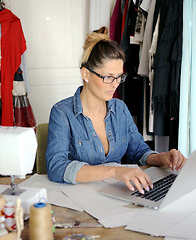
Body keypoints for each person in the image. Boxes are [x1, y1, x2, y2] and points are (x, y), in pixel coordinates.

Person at [46, 27, 187, 194]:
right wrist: (114, 171)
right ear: (85, 74)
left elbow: (139, 151)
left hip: (116, 194)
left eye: (119, 77)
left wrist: (162, 157)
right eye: (108, 77)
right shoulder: (62, 113)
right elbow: (56, 167)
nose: (115, 84)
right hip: (80, 197)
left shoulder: (120, 109)